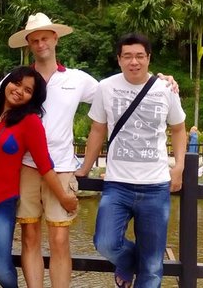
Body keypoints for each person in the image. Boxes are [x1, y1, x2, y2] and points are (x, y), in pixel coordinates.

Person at [7, 12, 180, 288]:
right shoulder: (17, 80)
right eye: (35, 40)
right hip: (25, 166)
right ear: (29, 44)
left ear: (55, 39)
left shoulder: (77, 79)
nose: (41, 44)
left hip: (62, 167)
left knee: (60, 239)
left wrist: (159, 81)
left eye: (45, 38)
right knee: (29, 235)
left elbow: (121, 89)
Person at [76, 32, 187, 288]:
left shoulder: (166, 89)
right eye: (127, 56)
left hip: (156, 186)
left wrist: (179, 166)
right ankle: (127, 261)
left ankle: (144, 262)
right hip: (117, 184)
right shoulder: (106, 87)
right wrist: (84, 167)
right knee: (105, 243)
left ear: (149, 58)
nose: (133, 62)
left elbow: (179, 129)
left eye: (139, 56)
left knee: (151, 269)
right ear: (119, 59)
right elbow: (97, 129)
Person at [0, 66, 78, 288]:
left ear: (33, 98)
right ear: (7, 83)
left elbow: (45, 165)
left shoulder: (30, 122)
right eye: (16, 83)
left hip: (0, 201)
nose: (18, 90)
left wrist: (63, 197)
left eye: (27, 90)